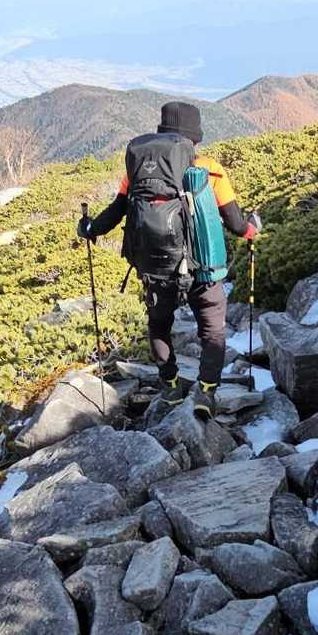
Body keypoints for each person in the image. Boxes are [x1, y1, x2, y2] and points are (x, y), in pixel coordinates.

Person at [79, 101, 258, 419]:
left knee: (159, 325)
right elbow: (235, 223)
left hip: (158, 268)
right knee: (212, 331)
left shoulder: (138, 171)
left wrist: (90, 228)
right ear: (195, 136)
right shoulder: (210, 169)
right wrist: (251, 230)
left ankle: (171, 386)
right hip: (203, 269)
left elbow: (116, 212)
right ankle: (206, 392)